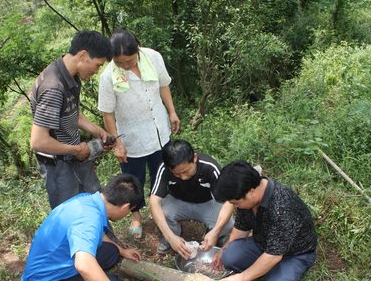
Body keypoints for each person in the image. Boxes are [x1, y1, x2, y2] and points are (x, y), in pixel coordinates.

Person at [21, 173, 144, 281]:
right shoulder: (89, 219)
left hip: (58, 263)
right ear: (125, 207)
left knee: (112, 252)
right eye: (129, 212)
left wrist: (122, 251)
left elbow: (97, 233)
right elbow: (84, 265)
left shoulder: (88, 200)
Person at [98, 27, 180, 238]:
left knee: (161, 173)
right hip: (131, 138)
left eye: (131, 60)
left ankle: (160, 212)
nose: (126, 65)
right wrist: (117, 143)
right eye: (121, 62)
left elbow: (164, 86)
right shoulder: (108, 76)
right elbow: (107, 113)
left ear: (138, 50)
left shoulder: (153, 57)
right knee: (132, 180)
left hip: (159, 130)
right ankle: (136, 217)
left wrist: (171, 112)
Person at [212, 161, 317, 281]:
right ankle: (264, 268)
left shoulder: (282, 206)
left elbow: (274, 255)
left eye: (235, 203)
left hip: (295, 253)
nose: (234, 206)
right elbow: (241, 229)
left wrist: (241, 278)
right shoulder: (245, 197)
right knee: (229, 256)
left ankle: (279, 271)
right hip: (263, 243)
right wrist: (223, 249)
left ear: (251, 192)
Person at [30, 30, 114, 209]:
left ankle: (101, 236)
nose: (97, 70)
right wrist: (76, 150)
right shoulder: (53, 87)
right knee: (71, 212)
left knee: (94, 202)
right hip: (57, 165)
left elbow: (72, 113)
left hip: (75, 155)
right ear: (83, 55)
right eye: (98, 65)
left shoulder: (71, 76)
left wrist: (98, 131)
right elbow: (38, 141)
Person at [149, 139, 234, 259]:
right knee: (162, 211)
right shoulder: (164, 168)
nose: (183, 177)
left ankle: (219, 236)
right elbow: (154, 201)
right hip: (178, 202)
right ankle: (173, 236)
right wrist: (170, 237)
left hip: (207, 203)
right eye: (177, 174)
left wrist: (215, 231)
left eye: (186, 171)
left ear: (194, 158)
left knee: (228, 223)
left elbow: (229, 202)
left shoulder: (209, 167)